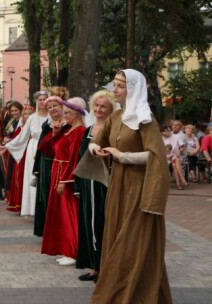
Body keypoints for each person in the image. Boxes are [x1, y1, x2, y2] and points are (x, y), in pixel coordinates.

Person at [89, 69, 172, 303]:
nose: (114, 89)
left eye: (120, 86)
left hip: (139, 187)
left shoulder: (145, 118)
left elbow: (156, 156)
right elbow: (95, 142)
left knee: (133, 240)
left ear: (133, 89)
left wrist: (122, 156)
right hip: (118, 186)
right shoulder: (115, 117)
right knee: (116, 236)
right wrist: (96, 149)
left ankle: (134, 292)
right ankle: (124, 289)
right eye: (114, 84)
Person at [37, 97, 87, 266]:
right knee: (61, 214)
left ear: (77, 113)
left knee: (69, 214)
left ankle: (72, 251)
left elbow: (74, 158)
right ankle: (66, 249)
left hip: (65, 176)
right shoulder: (68, 130)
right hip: (58, 172)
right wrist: (56, 133)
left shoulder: (79, 131)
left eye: (68, 113)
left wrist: (64, 180)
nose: (65, 116)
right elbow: (46, 148)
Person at [73, 90, 116, 282]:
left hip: (103, 184)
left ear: (111, 109)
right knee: (88, 223)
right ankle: (93, 266)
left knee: (102, 223)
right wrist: (77, 185)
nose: (99, 109)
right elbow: (80, 159)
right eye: (96, 106)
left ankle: (105, 267)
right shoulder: (88, 129)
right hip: (86, 183)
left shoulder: (113, 129)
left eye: (103, 106)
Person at [0, 91, 49, 216]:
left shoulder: (53, 117)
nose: (42, 101)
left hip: (48, 150)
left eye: (45, 99)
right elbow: (22, 136)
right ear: (36, 102)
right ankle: (34, 209)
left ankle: (47, 209)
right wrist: (7, 147)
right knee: (32, 179)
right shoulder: (32, 118)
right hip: (33, 150)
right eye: (40, 99)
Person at [32, 87, 70, 237]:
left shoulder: (69, 124)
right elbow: (42, 147)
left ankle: (60, 233)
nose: (52, 109)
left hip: (61, 165)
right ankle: (48, 231)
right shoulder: (46, 126)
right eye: (49, 107)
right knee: (45, 197)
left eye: (55, 106)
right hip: (46, 164)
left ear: (62, 107)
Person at [161, 124, 188, 189]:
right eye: (161, 133)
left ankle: (179, 183)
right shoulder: (161, 138)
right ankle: (182, 181)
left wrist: (180, 151)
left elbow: (182, 147)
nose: (163, 134)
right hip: (166, 158)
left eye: (163, 132)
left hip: (175, 156)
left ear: (167, 130)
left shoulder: (177, 136)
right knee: (175, 163)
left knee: (175, 163)